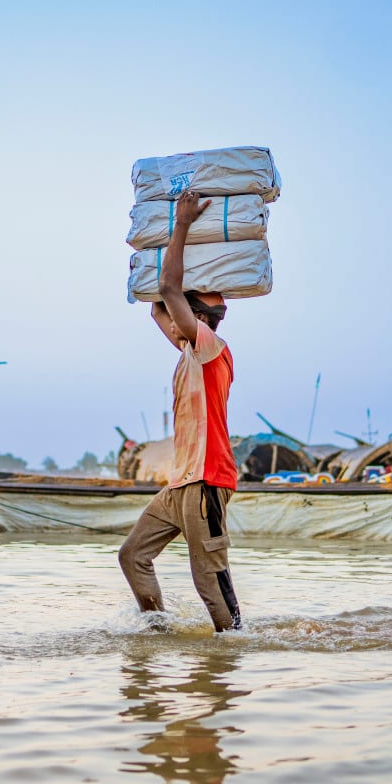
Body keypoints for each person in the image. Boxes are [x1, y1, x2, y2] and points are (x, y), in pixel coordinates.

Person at [118, 191, 242, 632]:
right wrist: (153, 249)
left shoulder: (212, 348)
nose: (172, 322)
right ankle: (158, 631)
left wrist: (183, 225)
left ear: (201, 318)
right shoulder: (189, 350)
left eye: (183, 314)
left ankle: (234, 648)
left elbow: (169, 291)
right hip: (181, 482)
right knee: (133, 556)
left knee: (208, 580)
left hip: (208, 479)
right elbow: (158, 303)